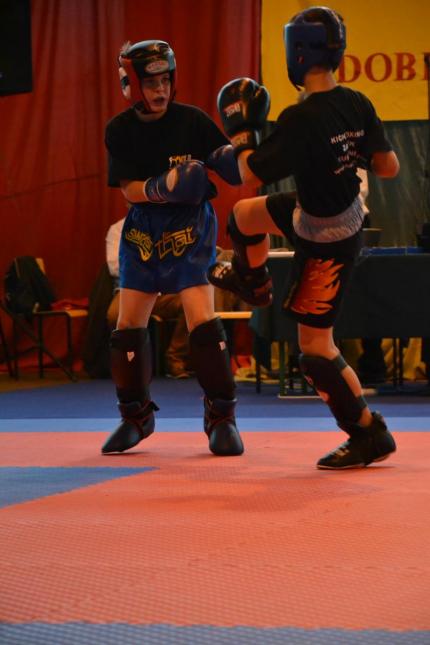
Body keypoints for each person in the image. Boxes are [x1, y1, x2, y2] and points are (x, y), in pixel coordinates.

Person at [208, 6, 400, 469]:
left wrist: (241, 131)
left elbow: (249, 172)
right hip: (323, 211)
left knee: (315, 351)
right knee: (244, 217)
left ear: (295, 53)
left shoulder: (300, 118)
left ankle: (368, 432)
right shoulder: (357, 101)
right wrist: (347, 152)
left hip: (327, 240)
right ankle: (253, 283)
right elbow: (389, 167)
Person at [101, 39, 244, 457]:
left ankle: (222, 418)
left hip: (191, 224)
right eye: (151, 83)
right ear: (132, 85)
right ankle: (135, 417)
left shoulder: (193, 121)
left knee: (201, 318)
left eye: (165, 80)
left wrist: (242, 144)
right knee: (128, 326)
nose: (160, 89)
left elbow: (233, 171)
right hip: (144, 228)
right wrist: (161, 187)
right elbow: (127, 188)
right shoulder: (119, 130)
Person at [106, 216, 193, 378]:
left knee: (191, 304)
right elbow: (114, 266)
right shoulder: (118, 229)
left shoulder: (171, 225)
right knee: (114, 315)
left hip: (165, 292)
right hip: (131, 290)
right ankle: (128, 362)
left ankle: (175, 359)